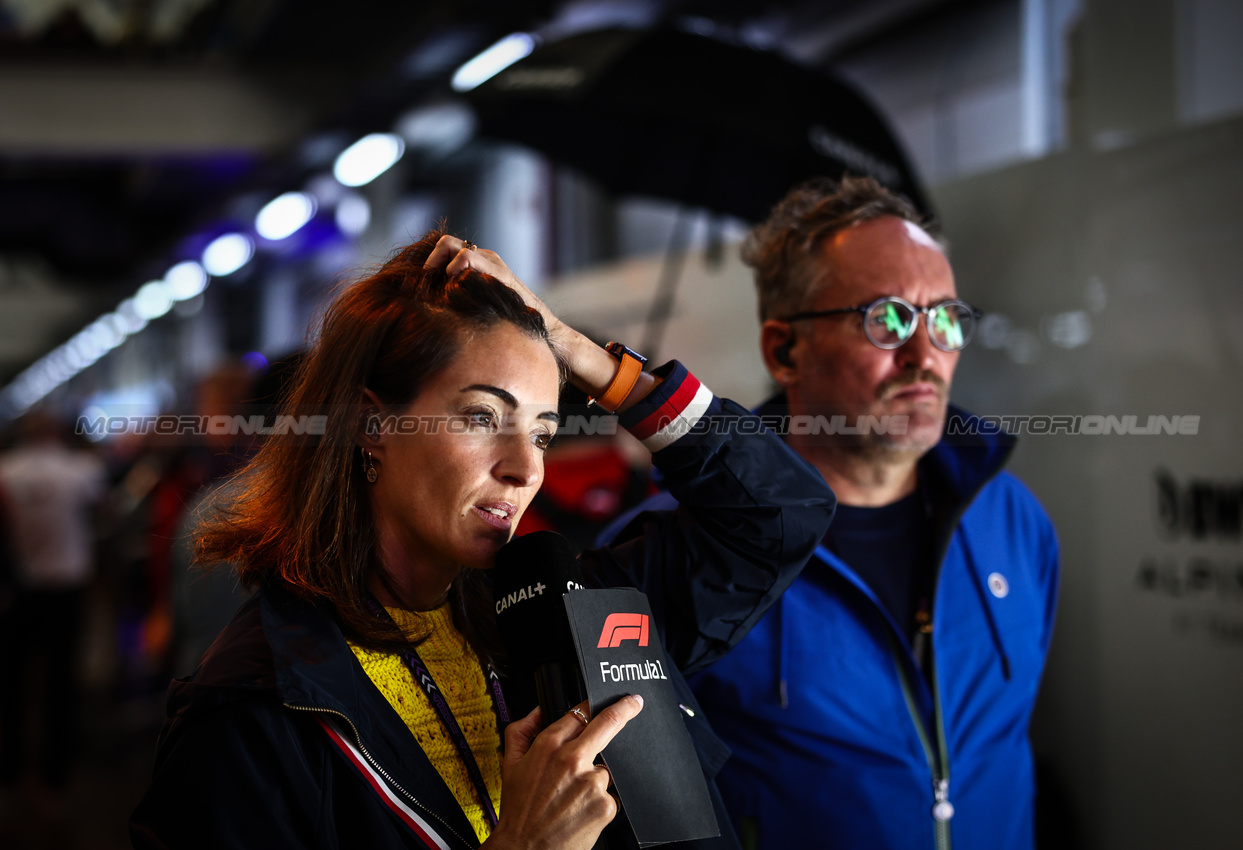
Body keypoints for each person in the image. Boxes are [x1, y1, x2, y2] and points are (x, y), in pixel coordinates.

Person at [128, 230, 834, 850]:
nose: (525, 468)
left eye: (542, 432)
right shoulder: (251, 710)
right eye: (480, 417)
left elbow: (780, 511)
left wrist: (567, 343)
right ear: (373, 426)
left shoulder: (576, 615)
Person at [600, 175, 1060, 850]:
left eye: (945, 320)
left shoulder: (1013, 523)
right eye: (888, 319)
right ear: (784, 350)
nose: (924, 356)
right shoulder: (671, 556)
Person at [0, 410, 107, 807]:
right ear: (58, 430)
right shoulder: (81, 470)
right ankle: (55, 778)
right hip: (66, 586)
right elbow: (103, 510)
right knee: (60, 684)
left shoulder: (5, 471)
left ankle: (10, 773)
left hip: (16, 590)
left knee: (12, 685)